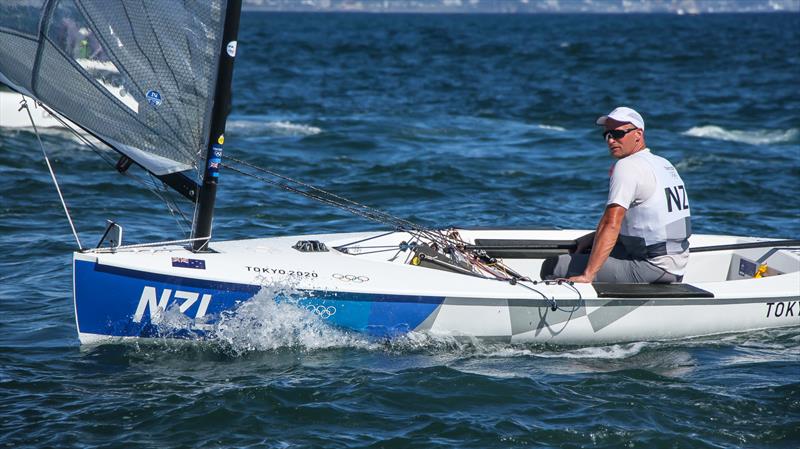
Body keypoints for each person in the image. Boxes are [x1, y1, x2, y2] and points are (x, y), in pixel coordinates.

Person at [540, 107, 691, 283]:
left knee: (553, 266)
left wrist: (588, 274)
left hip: (651, 267)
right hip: (675, 265)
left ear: (638, 134)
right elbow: (648, 223)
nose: (611, 140)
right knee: (590, 250)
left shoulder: (627, 166)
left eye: (618, 134)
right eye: (607, 135)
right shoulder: (664, 164)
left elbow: (611, 223)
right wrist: (592, 238)